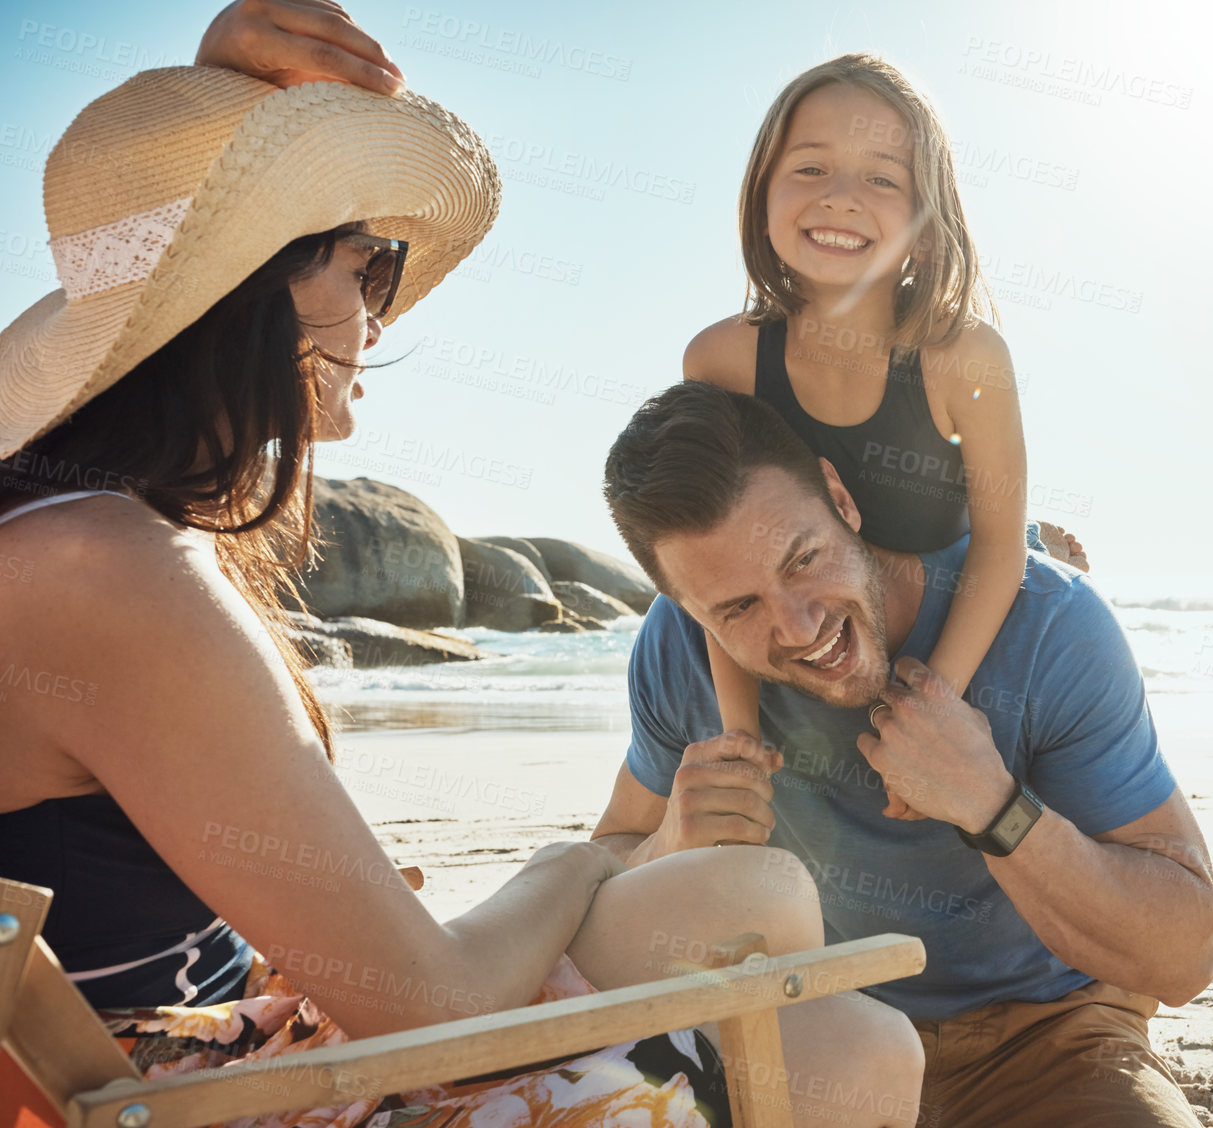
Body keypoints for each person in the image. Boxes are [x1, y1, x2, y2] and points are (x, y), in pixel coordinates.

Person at [0, 5, 920, 1126]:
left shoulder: (54, 526)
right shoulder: (112, 572)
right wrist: (575, 862)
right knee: (859, 1048)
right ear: (254, 292)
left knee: (756, 890)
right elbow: (430, 1003)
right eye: (364, 268)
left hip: (197, 1046)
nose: (375, 317)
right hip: (203, 1096)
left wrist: (202, 153)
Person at [593, 380, 1213, 1128]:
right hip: (816, 1036)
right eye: (737, 607)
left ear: (840, 498)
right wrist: (668, 849)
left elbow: (1184, 960)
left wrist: (992, 805)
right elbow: (604, 861)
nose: (799, 626)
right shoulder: (676, 653)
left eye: (802, 559)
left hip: (1047, 1037)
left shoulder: (1051, 626)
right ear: (686, 610)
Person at [682, 53, 1085, 756]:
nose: (840, 197)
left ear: (928, 223)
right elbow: (717, 553)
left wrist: (935, 705)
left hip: (951, 554)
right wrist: (741, 735)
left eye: (881, 179)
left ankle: (1036, 534)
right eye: (809, 168)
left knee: (1018, 552)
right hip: (838, 582)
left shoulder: (965, 357)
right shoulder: (721, 360)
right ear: (762, 194)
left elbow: (991, 554)